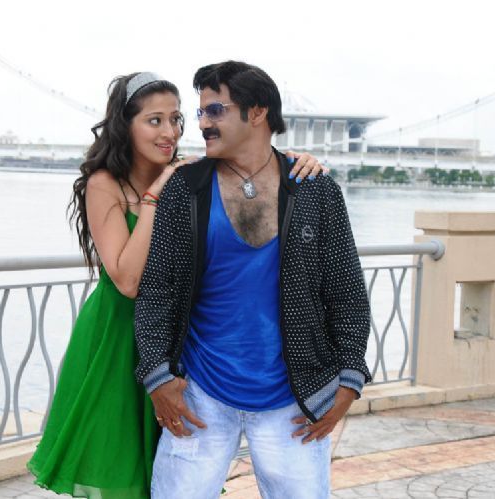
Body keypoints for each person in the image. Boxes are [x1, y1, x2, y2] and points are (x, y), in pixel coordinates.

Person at [27, 71, 325, 498]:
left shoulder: (190, 175)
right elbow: (128, 280)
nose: (170, 132)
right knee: (117, 467)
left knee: (172, 467)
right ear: (126, 125)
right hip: (117, 339)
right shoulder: (105, 184)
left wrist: (295, 161)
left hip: (177, 342)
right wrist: (154, 196)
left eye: (176, 119)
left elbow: (254, 162)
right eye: (155, 121)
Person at [134, 61, 372, 499]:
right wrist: (158, 377)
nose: (202, 123)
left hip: (296, 401)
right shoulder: (185, 189)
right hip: (198, 397)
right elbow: (156, 293)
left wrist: (350, 379)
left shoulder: (315, 189)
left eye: (216, 111)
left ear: (257, 112)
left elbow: (347, 293)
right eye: (201, 112)